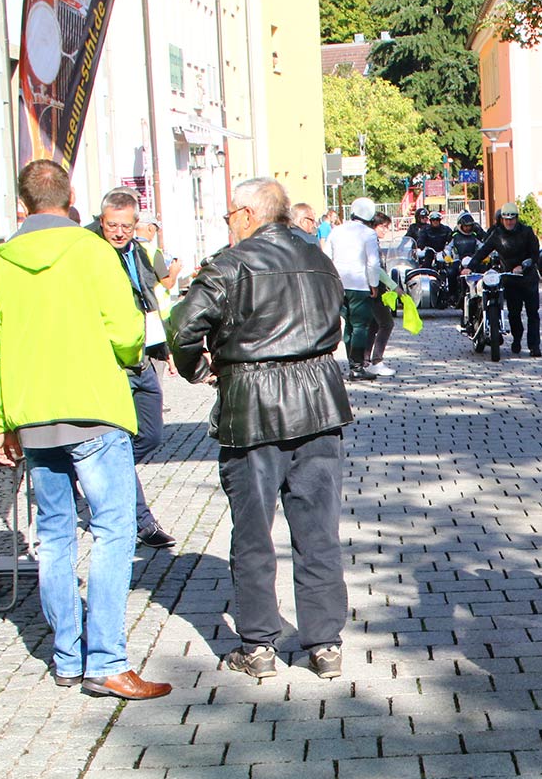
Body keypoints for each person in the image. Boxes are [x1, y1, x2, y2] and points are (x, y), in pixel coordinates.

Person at [0, 160, 169, 700]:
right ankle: (106, 661)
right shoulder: (94, 253)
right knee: (112, 531)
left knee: (54, 537)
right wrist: (124, 357)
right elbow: (128, 331)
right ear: (71, 196)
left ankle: (66, 656)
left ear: (22, 203)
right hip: (94, 408)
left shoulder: (1, 265)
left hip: (32, 416)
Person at [169, 177, 354, 680]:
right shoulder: (318, 258)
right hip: (319, 400)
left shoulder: (229, 265)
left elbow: (182, 330)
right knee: (318, 530)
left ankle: (258, 645)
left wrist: (198, 369)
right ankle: (325, 644)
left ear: (249, 215)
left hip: (253, 407)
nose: (228, 221)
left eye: (232, 212)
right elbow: (340, 320)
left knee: (253, 532)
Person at [91, 190, 176, 549]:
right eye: (113, 225)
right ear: (101, 221)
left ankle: (98, 473)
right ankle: (141, 521)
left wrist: (166, 346)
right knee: (119, 442)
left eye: (126, 226)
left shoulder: (137, 250)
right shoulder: (91, 253)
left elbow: (150, 299)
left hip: (143, 354)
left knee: (150, 437)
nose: (119, 232)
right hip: (111, 361)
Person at [325, 197, 395, 380]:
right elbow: (373, 263)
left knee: (348, 323)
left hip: (339, 284)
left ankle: (350, 361)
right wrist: (373, 285)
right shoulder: (368, 234)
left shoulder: (337, 231)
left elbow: (327, 257)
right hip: (360, 284)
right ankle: (357, 366)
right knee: (360, 325)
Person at [467, 202, 542, 356]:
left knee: (532, 313)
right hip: (510, 279)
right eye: (506, 219)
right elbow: (483, 251)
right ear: (501, 219)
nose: (509, 222)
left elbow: (535, 254)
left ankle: (534, 346)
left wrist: (524, 265)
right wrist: (470, 266)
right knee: (514, 313)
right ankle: (517, 338)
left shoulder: (526, 232)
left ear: (517, 218)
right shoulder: (497, 234)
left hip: (528, 278)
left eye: (512, 219)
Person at [364, 212, 397, 377]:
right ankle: (376, 361)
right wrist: (394, 286)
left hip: (371, 287)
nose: (385, 230)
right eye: (382, 226)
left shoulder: (371, 241)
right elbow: (375, 268)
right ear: (373, 226)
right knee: (386, 323)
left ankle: (365, 361)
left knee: (373, 325)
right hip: (374, 287)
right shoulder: (371, 243)